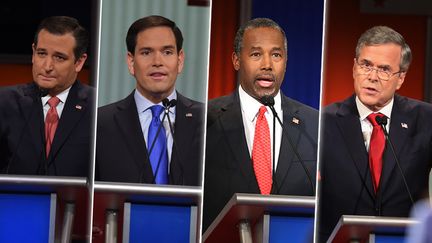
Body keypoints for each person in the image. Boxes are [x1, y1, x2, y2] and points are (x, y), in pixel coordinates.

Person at [318, 26, 432, 242]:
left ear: (400, 78)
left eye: (384, 69)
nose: (372, 77)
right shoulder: (323, 122)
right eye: (366, 65)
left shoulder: (425, 120)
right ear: (354, 68)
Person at [203, 18, 318, 231]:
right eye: (256, 54)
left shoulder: (315, 125)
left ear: (286, 61)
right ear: (236, 60)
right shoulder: (206, 121)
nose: (267, 65)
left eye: (276, 55)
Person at [95, 15, 204, 186]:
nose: (157, 62)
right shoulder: (100, 123)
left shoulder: (206, 121)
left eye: (167, 52)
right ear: (131, 62)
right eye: (146, 52)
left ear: (180, 60)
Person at [0, 16, 93, 177]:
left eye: (59, 57)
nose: (47, 66)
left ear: (79, 62)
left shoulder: (97, 106)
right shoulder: (5, 102)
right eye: (42, 53)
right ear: (33, 53)